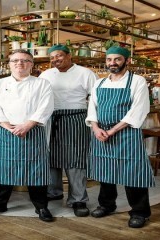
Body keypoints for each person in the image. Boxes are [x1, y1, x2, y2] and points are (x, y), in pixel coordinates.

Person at [85, 46, 155, 228]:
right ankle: (107, 205)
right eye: (109, 60)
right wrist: (95, 128)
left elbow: (138, 109)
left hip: (127, 133)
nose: (112, 63)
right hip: (101, 133)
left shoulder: (137, 81)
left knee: (133, 173)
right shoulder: (99, 83)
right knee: (105, 171)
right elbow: (92, 107)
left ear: (127, 61)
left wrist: (113, 130)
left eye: (117, 59)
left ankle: (140, 212)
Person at [0, 49, 55, 222]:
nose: (19, 63)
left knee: (36, 171)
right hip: (6, 131)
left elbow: (46, 106)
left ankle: (41, 207)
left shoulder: (42, 84)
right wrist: (8, 126)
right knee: (3, 170)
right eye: (15, 60)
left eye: (24, 60)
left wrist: (28, 124)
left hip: (33, 130)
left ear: (31, 64)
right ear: (9, 64)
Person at [39, 44, 97, 217]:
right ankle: (53, 191)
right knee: (50, 157)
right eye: (52, 58)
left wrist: (94, 121)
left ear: (70, 56)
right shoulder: (46, 74)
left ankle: (78, 199)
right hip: (50, 117)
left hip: (76, 117)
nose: (55, 60)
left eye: (59, 56)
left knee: (75, 159)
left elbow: (95, 97)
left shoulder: (85, 73)